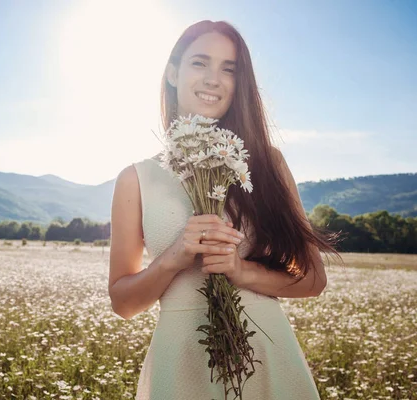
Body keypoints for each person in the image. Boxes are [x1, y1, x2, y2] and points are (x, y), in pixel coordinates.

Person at [108, 20, 342, 400]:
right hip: (180, 358)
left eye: (228, 69)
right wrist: (175, 258)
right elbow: (123, 303)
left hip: (266, 355)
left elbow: (314, 281)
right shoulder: (136, 179)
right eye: (200, 63)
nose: (213, 79)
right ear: (172, 72)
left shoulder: (268, 164)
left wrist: (240, 270)